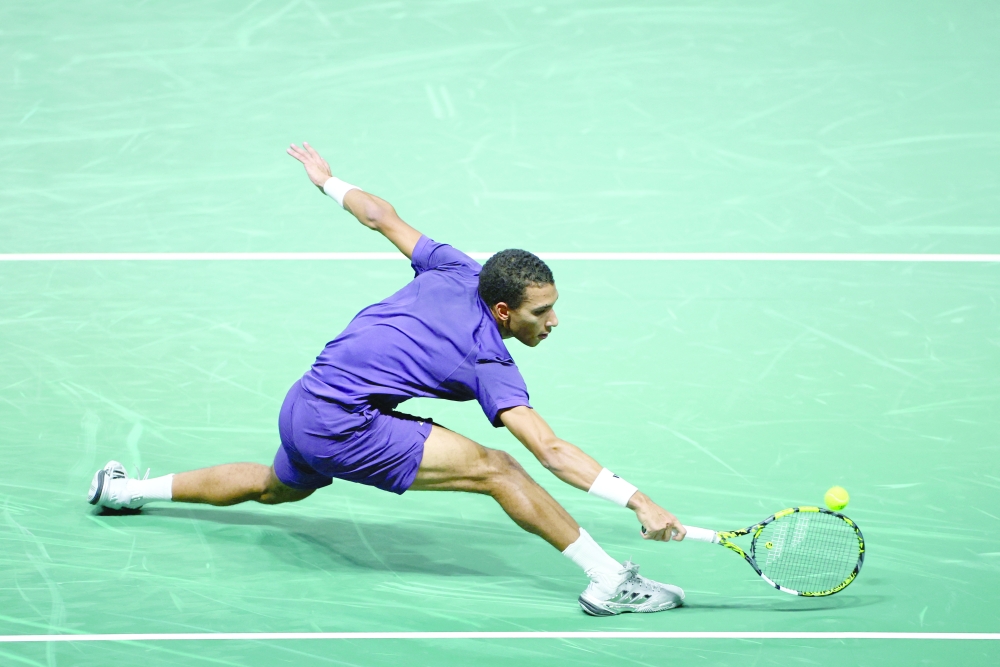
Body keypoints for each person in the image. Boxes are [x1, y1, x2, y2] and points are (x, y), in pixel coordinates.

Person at [88, 142, 688, 616]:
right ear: (504, 311)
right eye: (540, 312)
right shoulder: (487, 359)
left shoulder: (461, 269)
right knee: (499, 469)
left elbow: (379, 216)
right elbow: (551, 451)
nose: (553, 321)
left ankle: (124, 491)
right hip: (344, 424)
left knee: (278, 487)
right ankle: (609, 579)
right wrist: (639, 500)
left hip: (304, 401)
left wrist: (328, 180)